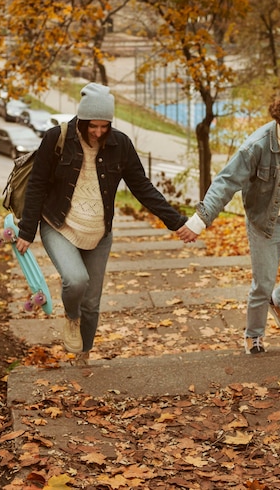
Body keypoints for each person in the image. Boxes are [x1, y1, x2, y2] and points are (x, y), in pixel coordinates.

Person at [16, 83, 187, 360]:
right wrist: (27, 229)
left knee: (92, 304)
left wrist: (176, 221)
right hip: (59, 224)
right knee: (76, 280)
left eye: (104, 126)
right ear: (81, 120)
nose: (98, 132)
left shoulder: (120, 145)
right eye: (92, 126)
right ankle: (71, 318)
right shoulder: (55, 139)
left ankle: (84, 356)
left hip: (98, 233)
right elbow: (36, 185)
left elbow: (142, 188)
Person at [177, 89, 280, 354]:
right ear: (278, 120)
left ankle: (279, 301)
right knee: (263, 284)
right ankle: (254, 336)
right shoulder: (256, 146)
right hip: (266, 224)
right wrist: (200, 220)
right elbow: (225, 183)